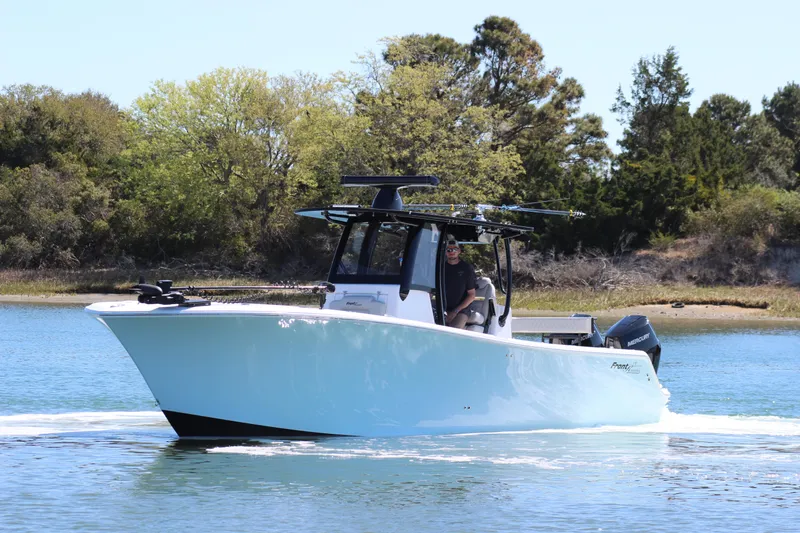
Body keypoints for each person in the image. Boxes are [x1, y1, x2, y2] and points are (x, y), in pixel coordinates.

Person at [443, 237, 476, 329]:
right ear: (445, 252)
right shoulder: (440, 268)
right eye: (449, 249)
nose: (451, 251)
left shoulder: (467, 269)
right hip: (442, 308)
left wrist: (455, 311)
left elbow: (472, 295)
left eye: (455, 249)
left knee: (454, 331)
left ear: (459, 251)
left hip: (461, 310)